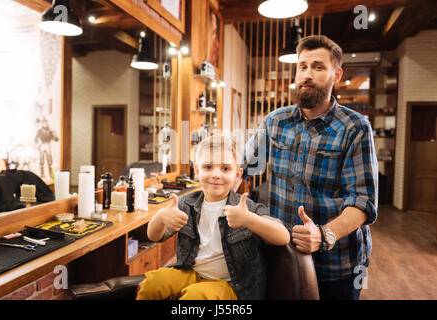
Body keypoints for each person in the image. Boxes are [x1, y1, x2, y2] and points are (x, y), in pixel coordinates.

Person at [244, 35, 378, 300]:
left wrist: (324, 234)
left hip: (336, 263)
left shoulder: (355, 127)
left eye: (318, 67)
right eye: (302, 67)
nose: (307, 74)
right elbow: (243, 167)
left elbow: (363, 203)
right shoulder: (275, 121)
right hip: (283, 256)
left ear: (336, 74)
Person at [136, 134, 290, 300]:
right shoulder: (186, 204)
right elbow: (153, 236)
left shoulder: (246, 208)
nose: (216, 174)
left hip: (230, 284)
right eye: (208, 167)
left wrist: (248, 220)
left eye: (225, 168)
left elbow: (283, 237)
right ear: (197, 170)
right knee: (152, 284)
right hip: (191, 272)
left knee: (195, 297)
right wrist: (160, 217)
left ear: (237, 174)